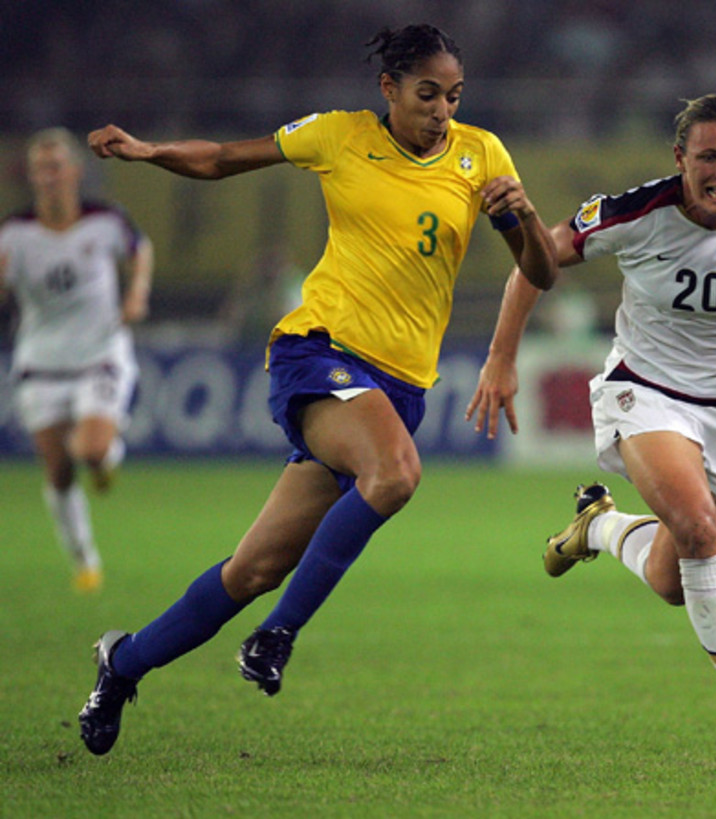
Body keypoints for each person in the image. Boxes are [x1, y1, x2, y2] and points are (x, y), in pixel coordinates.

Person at [77, 23, 557, 756]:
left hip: (399, 387)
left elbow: (543, 270)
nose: (441, 109)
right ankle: (278, 635)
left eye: (453, 95)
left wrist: (521, 214)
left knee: (255, 568)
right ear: (388, 88)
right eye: (427, 93)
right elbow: (226, 158)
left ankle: (123, 663)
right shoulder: (339, 136)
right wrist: (149, 152)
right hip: (318, 350)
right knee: (395, 473)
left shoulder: (481, 154)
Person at [467, 94, 716, 771]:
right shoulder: (636, 213)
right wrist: (502, 355)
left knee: (672, 575)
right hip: (648, 392)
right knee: (701, 531)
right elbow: (539, 259)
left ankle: (597, 526)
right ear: (679, 158)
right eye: (710, 157)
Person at [0, 127, 154, 594]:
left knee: (87, 450)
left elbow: (140, 249)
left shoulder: (106, 220)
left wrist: (136, 293)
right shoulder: (15, 233)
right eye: (39, 170)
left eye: (55, 167)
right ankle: (85, 562)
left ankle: (107, 456)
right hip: (40, 359)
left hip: (100, 352)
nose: (47, 178)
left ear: (74, 172)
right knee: (59, 467)